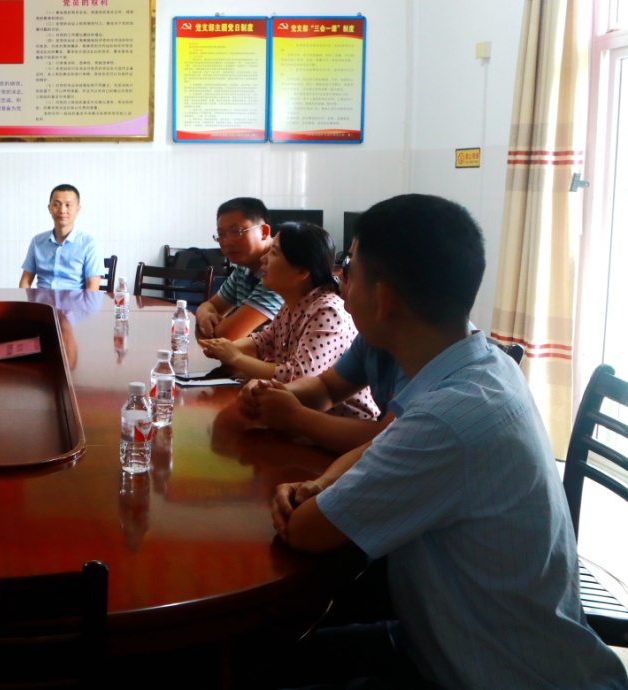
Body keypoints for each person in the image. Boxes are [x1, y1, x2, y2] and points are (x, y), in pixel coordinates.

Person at [269, 195, 628, 690]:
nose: (341, 282)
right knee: (270, 653)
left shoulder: (448, 420)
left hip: (497, 674)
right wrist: (326, 481)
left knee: (255, 662)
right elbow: (383, 444)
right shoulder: (481, 365)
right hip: (449, 638)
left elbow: (306, 531)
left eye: (350, 267)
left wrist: (313, 497)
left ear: (384, 298)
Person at [202, 222, 375, 420]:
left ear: (302, 271)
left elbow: (300, 375)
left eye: (274, 253)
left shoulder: (327, 310)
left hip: (338, 422)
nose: (263, 259)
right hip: (298, 414)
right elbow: (263, 341)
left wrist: (235, 358)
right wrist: (221, 348)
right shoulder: (294, 302)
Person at [239, 249, 399, 454]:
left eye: (348, 265)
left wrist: (294, 416)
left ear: (383, 292)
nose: (338, 276)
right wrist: (269, 395)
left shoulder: (328, 309)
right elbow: (327, 388)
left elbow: (388, 439)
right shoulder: (372, 336)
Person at [194, 197, 283, 341]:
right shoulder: (244, 267)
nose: (227, 242)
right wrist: (205, 314)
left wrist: (209, 321)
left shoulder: (280, 271)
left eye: (236, 232)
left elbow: (228, 334)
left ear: (264, 232)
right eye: (221, 234)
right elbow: (209, 306)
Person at [18, 184, 103, 291]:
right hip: (42, 300)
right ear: (49, 208)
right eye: (56, 205)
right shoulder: (37, 241)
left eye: (68, 205)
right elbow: (25, 281)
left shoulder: (89, 244)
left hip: (75, 301)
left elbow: (92, 288)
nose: (62, 210)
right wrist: (25, 301)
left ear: (78, 209)